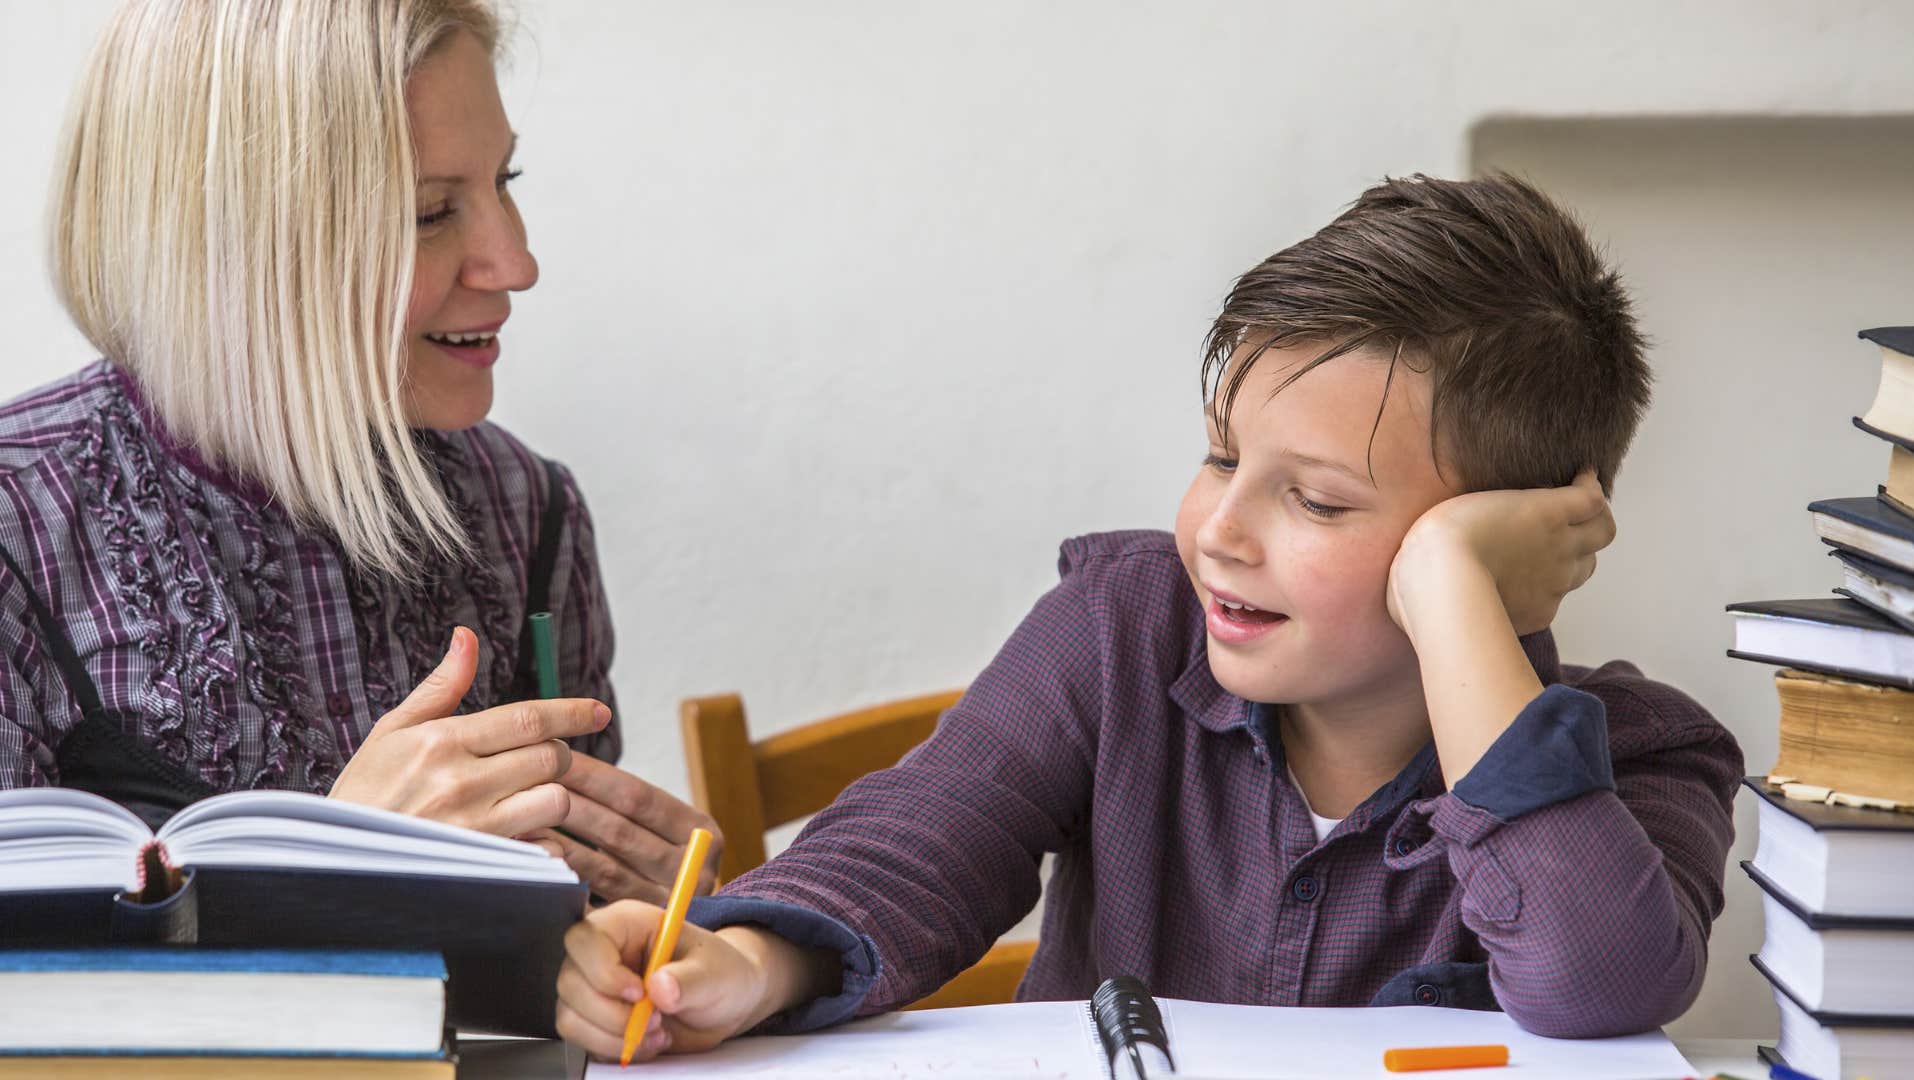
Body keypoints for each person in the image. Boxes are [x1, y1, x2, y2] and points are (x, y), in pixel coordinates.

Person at [554, 173, 1744, 1058]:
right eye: (1220, 457)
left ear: (1508, 541)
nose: (1223, 529)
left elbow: (1599, 983)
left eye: (1318, 501)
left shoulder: (1648, 756)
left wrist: (1450, 593)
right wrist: (751, 961)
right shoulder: (1124, 629)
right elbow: (927, 833)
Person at [0, 0, 716, 902]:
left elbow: (558, 969)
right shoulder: (18, 533)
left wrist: (649, 925)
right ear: (227, 243)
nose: (514, 260)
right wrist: (334, 870)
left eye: (508, 180)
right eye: (429, 213)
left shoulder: (529, 511)